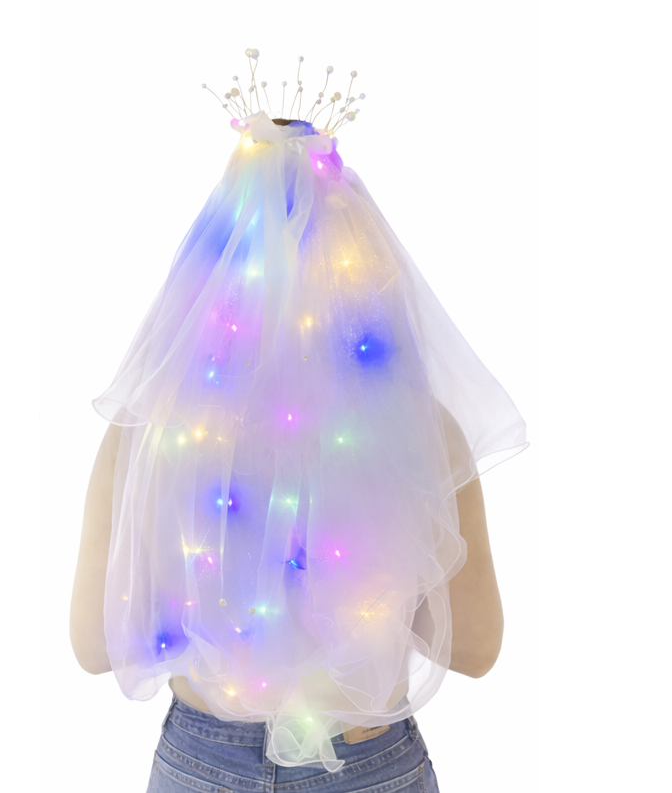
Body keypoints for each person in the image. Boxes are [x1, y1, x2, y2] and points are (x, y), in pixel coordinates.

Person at [71, 53, 526, 792]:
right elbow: (475, 646)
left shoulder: (150, 430)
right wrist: (361, 598)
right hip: (368, 762)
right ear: (360, 262)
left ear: (211, 266)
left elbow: (95, 646)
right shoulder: (419, 428)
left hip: (201, 763)